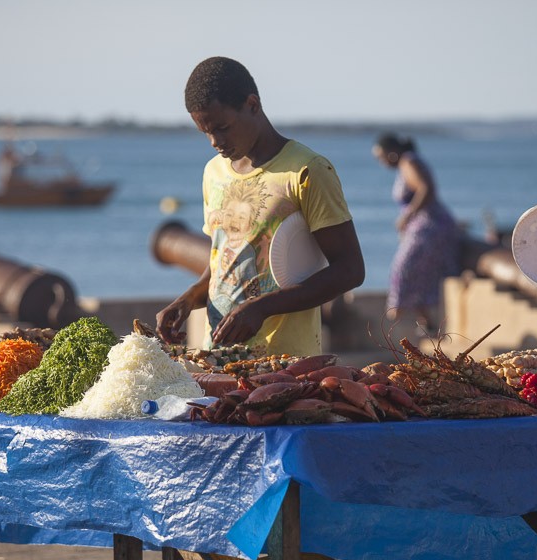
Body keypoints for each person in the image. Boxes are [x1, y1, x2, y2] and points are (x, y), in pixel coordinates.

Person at [156, 57, 365, 357]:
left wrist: (262, 308)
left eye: (223, 127)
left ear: (252, 105)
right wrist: (189, 298)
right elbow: (222, 264)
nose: (215, 141)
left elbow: (351, 270)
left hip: (285, 364)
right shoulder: (213, 173)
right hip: (217, 358)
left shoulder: (306, 170)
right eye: (206, 132)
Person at [372, 133, 462, 333]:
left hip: (431, 225)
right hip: (430, 224)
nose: (381, 161)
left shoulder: (408, 162)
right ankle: (426, 324)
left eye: (381, 156)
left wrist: (407, 215)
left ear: (392, 152)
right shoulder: (409, 162)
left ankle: (401, 318)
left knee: (404, 267)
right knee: (425, 273)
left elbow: (426, 188)